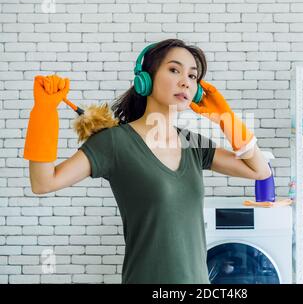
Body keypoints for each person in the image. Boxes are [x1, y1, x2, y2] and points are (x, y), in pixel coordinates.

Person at [23, 38, 271, 284]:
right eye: (174, 70)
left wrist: (225, 119)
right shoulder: (115, 143)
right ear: (145, 80)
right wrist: (43, 113)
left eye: (193, 76)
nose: (186, 81)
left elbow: (259, 171)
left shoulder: (192, 143)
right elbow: (43, 182)